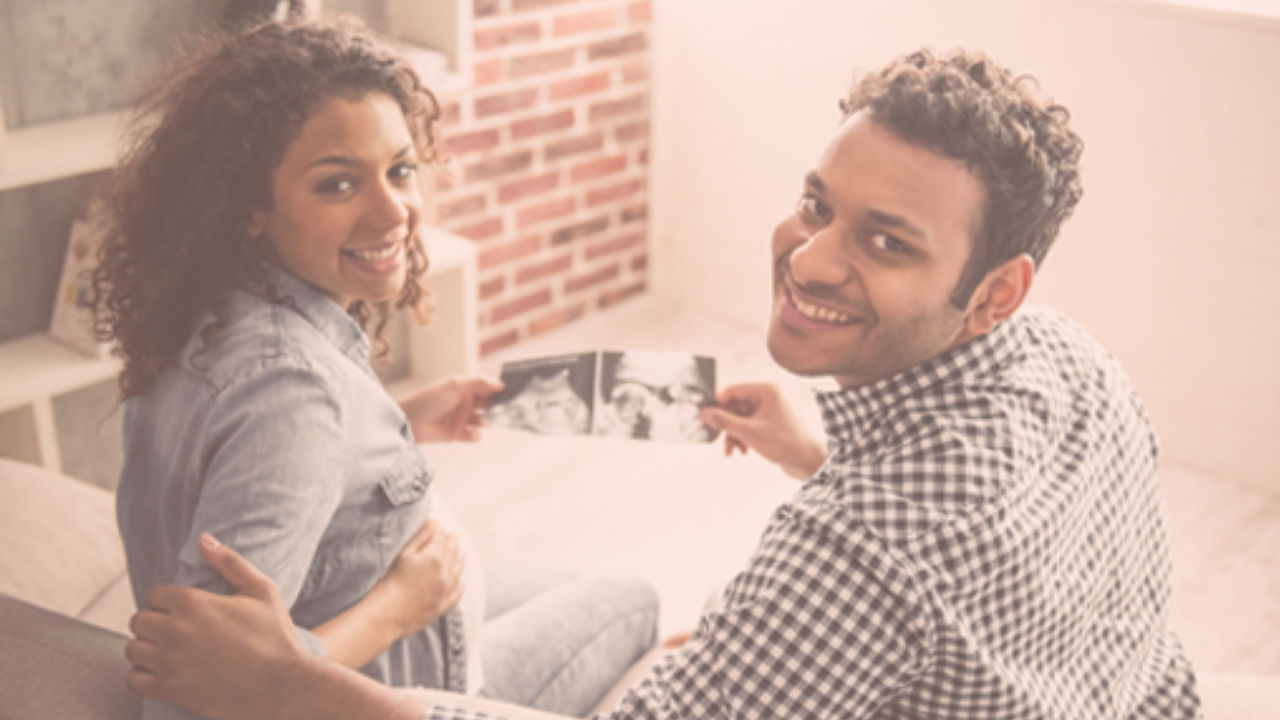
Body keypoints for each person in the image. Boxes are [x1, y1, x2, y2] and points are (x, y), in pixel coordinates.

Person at [122, 46, 1202, 719]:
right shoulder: (1076, 363)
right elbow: (961, 549)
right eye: (817, 202)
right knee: (621, 599)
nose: (811, 256)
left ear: (994, 289)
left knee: (636, 609)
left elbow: (891, 563)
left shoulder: (848, 558)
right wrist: (819, 448)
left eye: (884, 241)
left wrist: (295, 688)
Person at [92, 16, 657, 720]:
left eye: (400, 170)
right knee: (629, 598)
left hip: (412, 614)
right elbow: (199, 698)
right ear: (248, 208)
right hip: (403, 689)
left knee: (555, 580)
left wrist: (403, 423)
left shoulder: (203, 314)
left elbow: (249, 452)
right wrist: (398, 608)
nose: (395, 212)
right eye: (337, 185)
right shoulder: (294, 394)